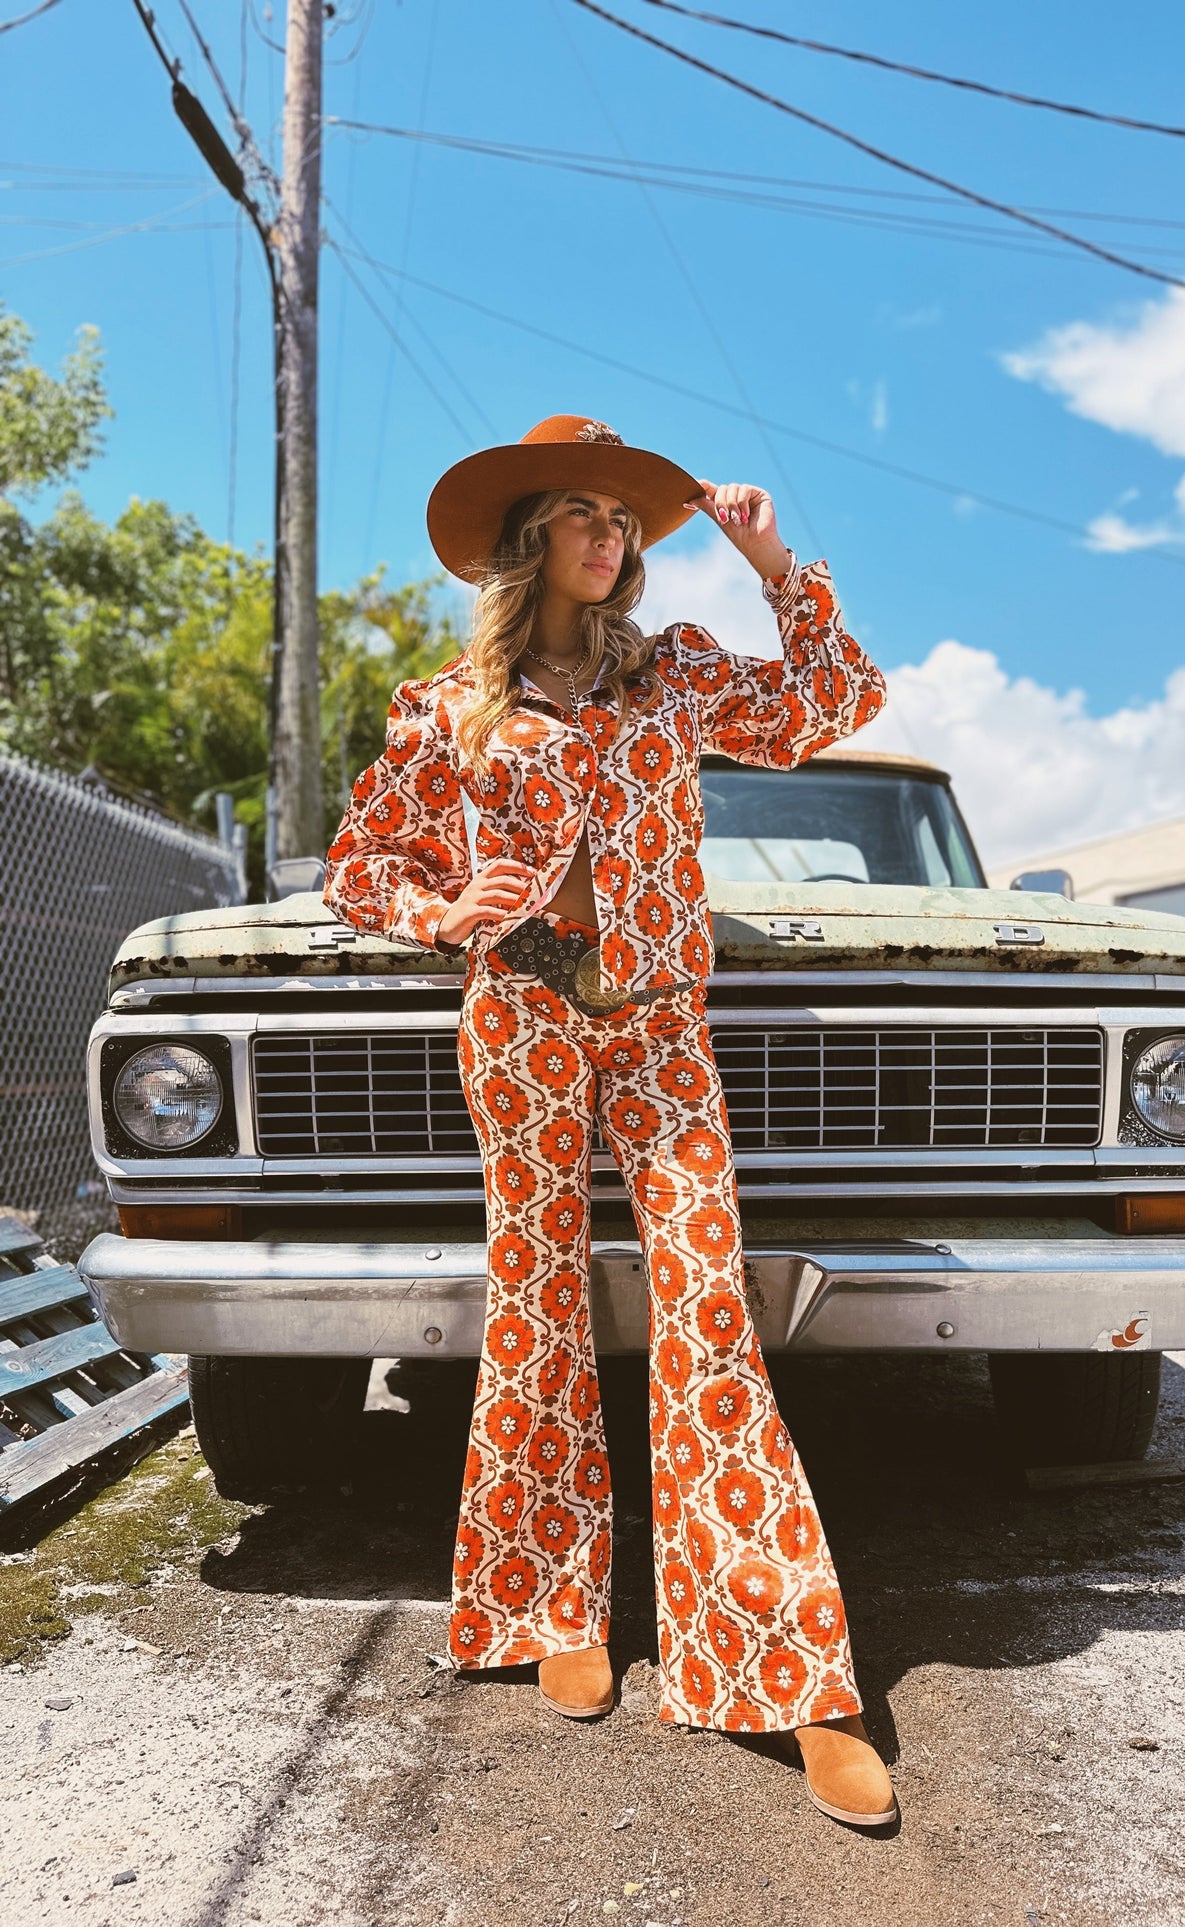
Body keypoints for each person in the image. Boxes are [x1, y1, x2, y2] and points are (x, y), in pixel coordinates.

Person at [323, 414, 894, 1827]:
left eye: (622, 518)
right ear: (528, 541)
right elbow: (358, 864)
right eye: (581, 514)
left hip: (658, 1026)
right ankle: (541, 1605)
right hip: (516, 1015)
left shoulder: (677, 674)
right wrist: (434, 908)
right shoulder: (442, 706)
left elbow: (836, 702)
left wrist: (773, 564)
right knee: (536, 1306)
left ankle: (787, 1674)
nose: (612, 537)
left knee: (705, 1316)